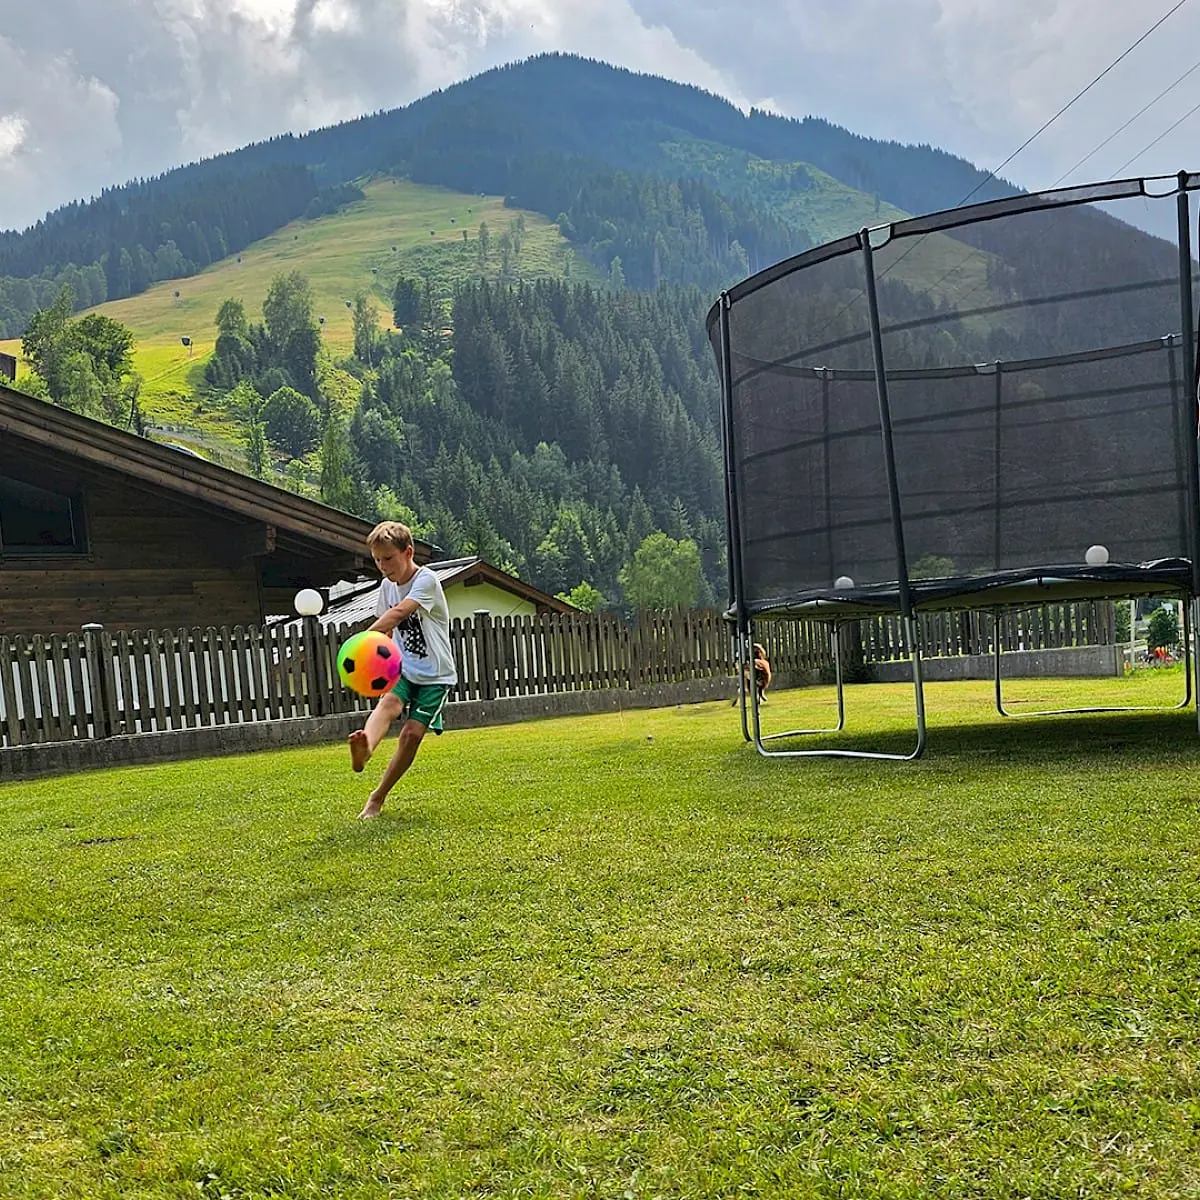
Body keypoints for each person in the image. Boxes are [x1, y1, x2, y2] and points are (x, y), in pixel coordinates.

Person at [347, 521, 458, 819]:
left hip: (436, 675)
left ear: (408, 552)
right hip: (404, 668)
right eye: (377, 560)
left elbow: (398, 614)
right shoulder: (386, 586)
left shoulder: (427, 580)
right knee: (390, 703)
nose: (382, 567)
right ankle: (364, 749)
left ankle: (377, 797)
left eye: (388, 559)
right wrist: (380, 664)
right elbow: (389, 632)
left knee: (410, 735)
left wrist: (362, 640)